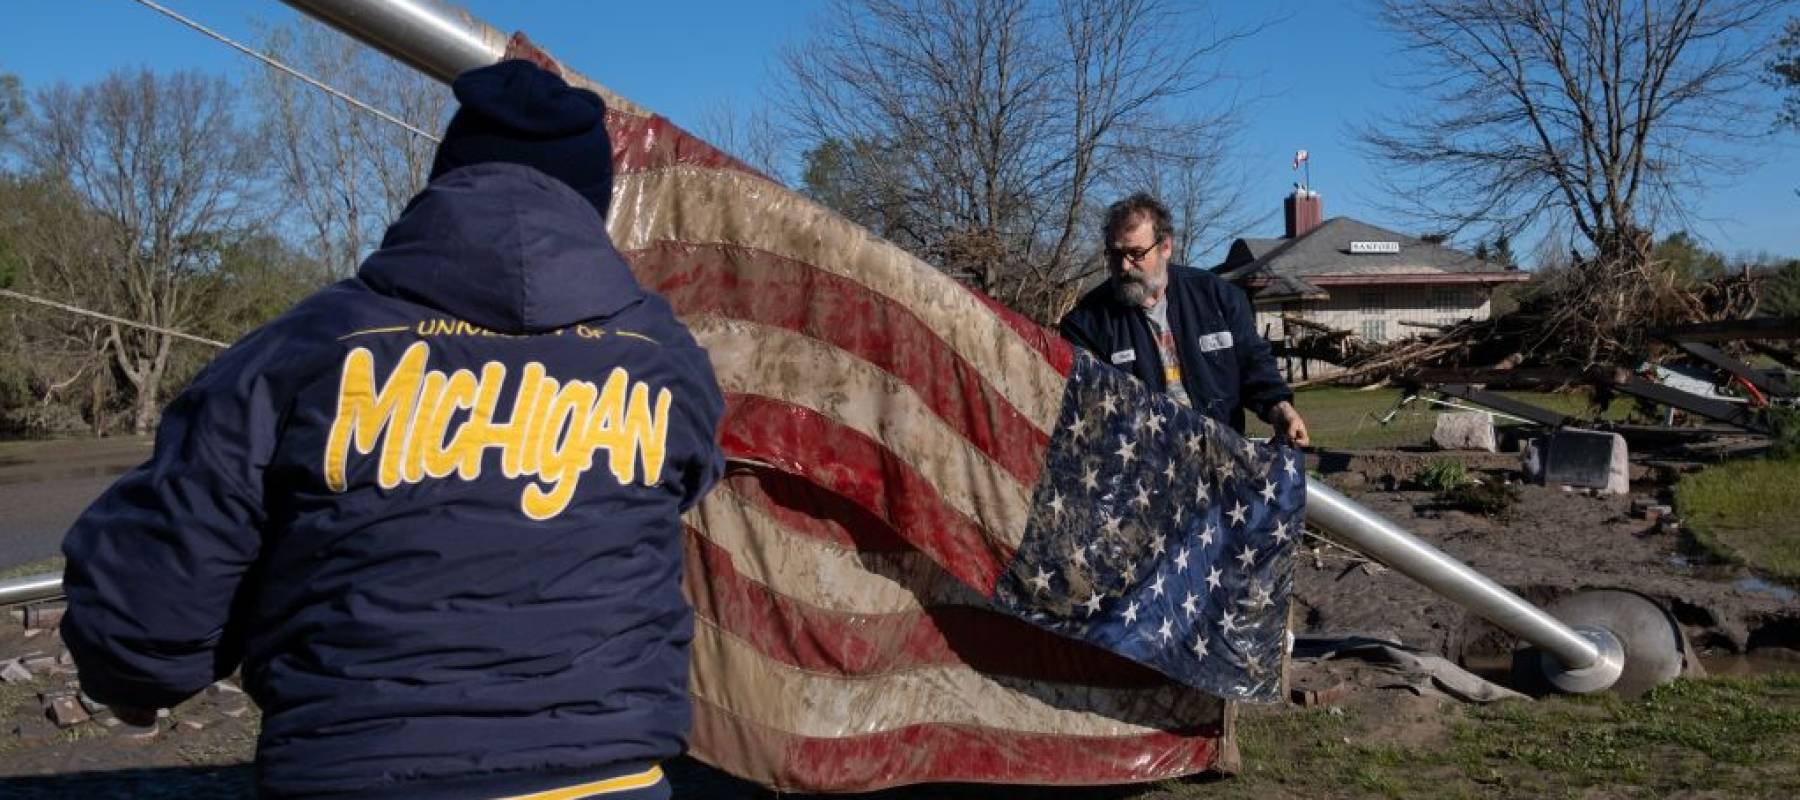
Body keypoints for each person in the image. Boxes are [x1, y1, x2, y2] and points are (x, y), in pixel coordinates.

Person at [59, 59, 723, 800]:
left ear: (443, 183)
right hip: (614, 775)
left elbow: (158, 574)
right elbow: (683, 487)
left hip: (357, 769)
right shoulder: (664, 358)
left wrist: (134, 677)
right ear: (591, 205)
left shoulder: (306, 346)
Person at [1060, 193, 1309, 445]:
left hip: (1221, 455)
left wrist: (1280, 407)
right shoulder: (1086, 324)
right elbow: (1089, 409)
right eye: (1115, 255)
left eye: (1135, 253)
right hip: (1142, 468)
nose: (1124, 266)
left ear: (1165, 246)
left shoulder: (1218, 298)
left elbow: (1253, 363)